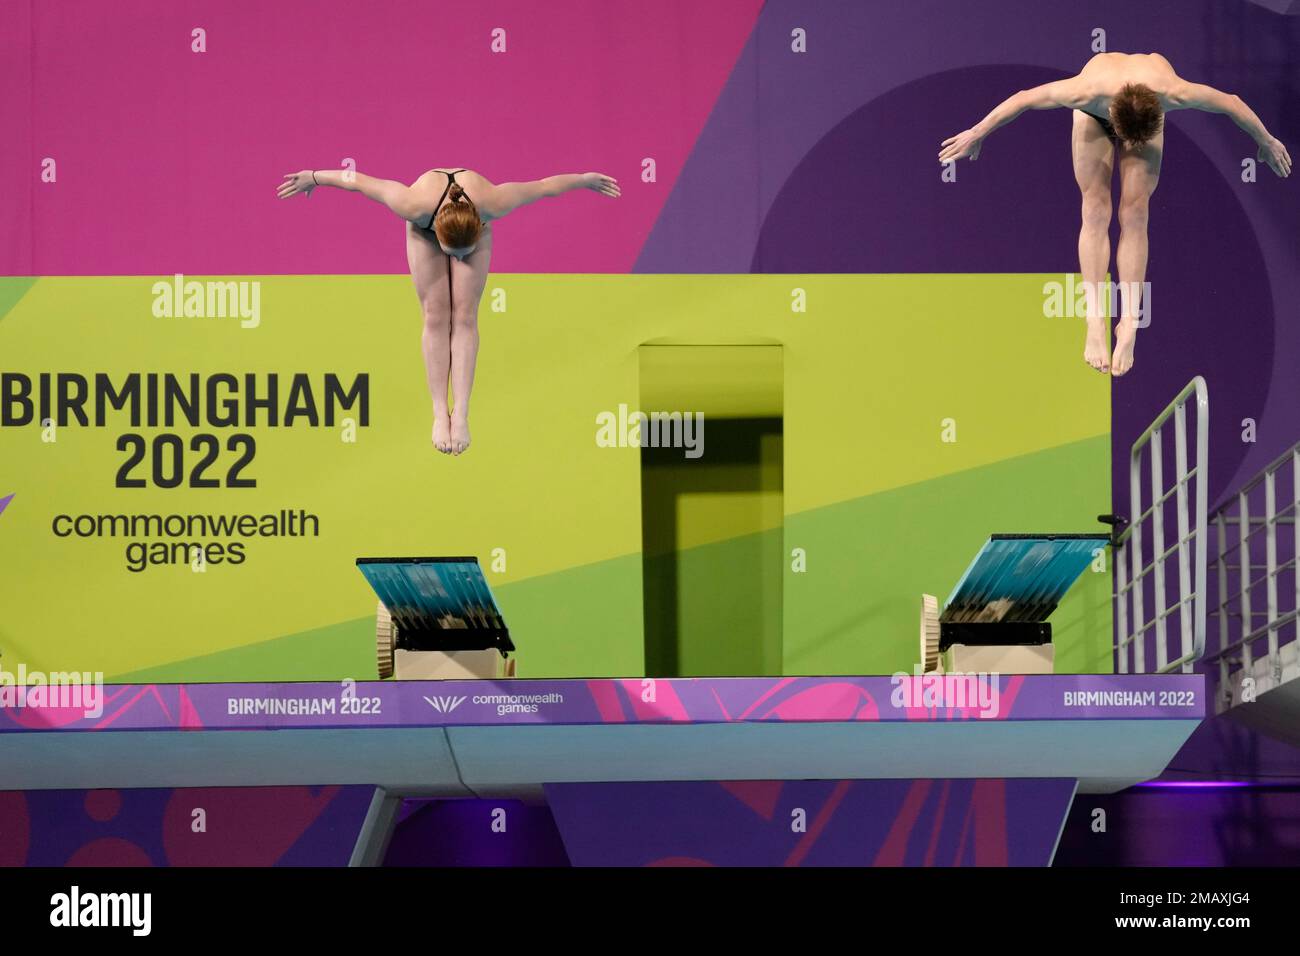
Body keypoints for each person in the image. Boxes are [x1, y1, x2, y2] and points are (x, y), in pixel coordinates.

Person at [939, 52, 1291, 376]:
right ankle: (1095, 321)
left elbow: (1231, 103)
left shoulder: (1173, 92)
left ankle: (1129, 323)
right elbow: (1024, 98)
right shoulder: (1085, 92)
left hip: (1143, 111)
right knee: (1094, 208)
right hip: (1094, 115)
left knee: (1136, 211)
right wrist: (977, 132)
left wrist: (1266, 140)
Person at [278, 166, 621, 453]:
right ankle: (439, 413)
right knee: (436, 314)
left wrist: (585, 179)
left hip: (467, 219)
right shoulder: (412, 205)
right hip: (424, 227)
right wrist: (313, 176)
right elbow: (361, 182)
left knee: (466, 315)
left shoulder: (492, 203)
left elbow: (545, 187)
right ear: (440, 234)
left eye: (462, 254)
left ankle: (463, 414)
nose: (457, 259)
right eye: (452, 252)